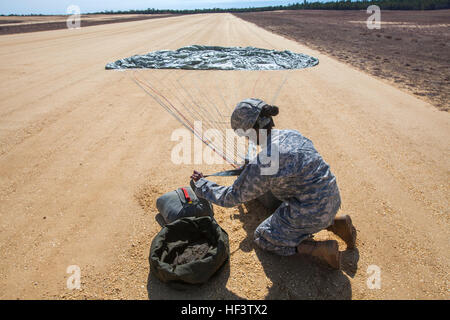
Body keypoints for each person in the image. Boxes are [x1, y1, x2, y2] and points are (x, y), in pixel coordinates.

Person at [190, 98, 356, 269]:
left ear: (249, 132)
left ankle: (320, 249)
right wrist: (252, 168)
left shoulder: (265, 162)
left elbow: (231, 197)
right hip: (333, 198)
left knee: (263, 236)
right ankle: (336, 221)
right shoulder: (292, 134)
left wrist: (202, 184)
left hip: (312, 212)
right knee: (283, 197)